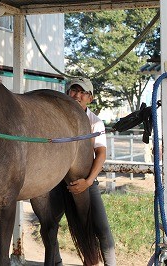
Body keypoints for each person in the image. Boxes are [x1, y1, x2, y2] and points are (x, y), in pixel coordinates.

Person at [66, 77, 117, 266]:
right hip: (58, 181)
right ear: (67, 93)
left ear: (90, 98)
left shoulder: (95, 122)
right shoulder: (58, 117)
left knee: (102, 229)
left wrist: (88, 182)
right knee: (49, 224)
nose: (77, 95)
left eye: (83, 92)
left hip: (85, 181)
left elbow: (101, 153)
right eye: (74, 90)